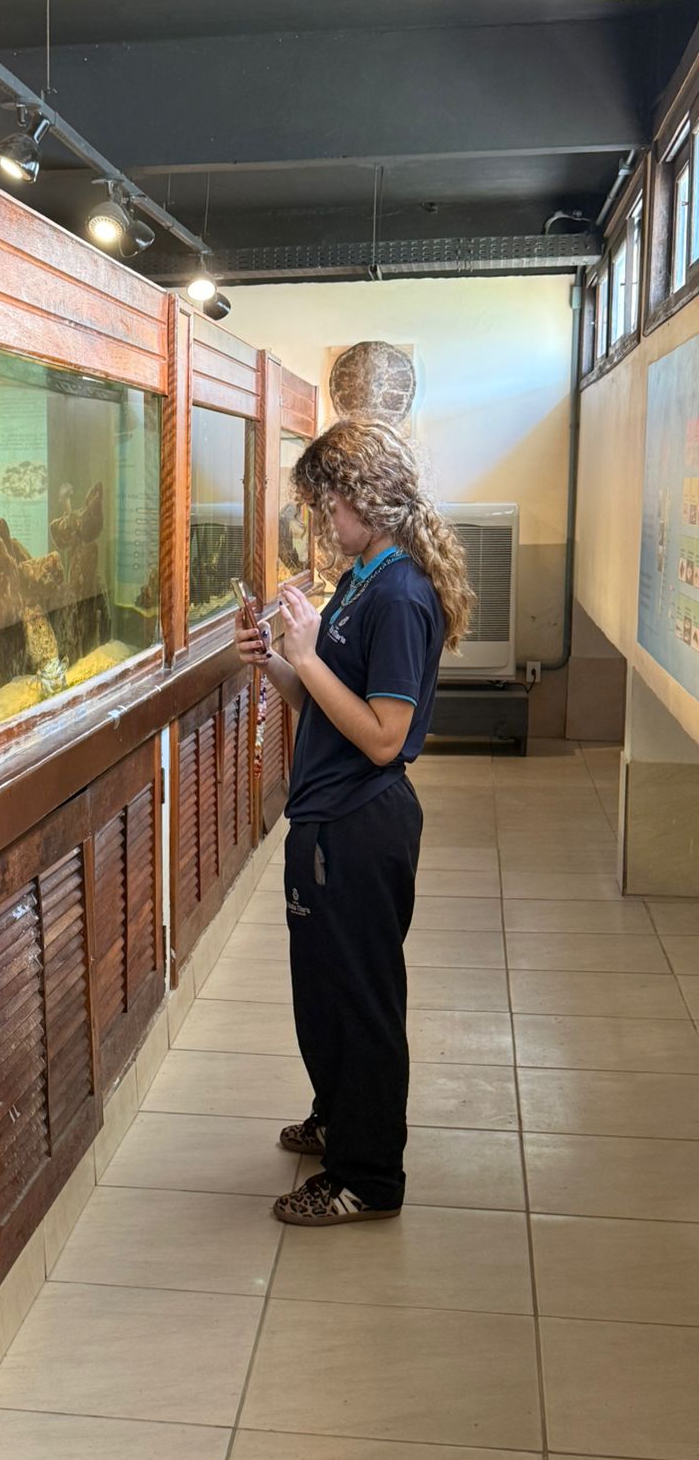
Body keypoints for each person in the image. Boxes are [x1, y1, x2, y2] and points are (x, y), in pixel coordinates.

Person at [235, 418, 473, 1227]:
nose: (323, 524)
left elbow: (382, 738)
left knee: (361, 1000)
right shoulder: (362, 579)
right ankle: (338, 1117)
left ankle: (366, 1177)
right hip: (326, 818)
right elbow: (323, 705)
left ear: (364, 499)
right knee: (325, 992)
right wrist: (277, 661)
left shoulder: (400, 594)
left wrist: (306, 657)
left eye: (327, 507)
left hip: (361, 825)